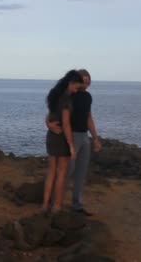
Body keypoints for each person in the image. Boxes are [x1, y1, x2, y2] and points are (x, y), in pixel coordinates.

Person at [47, 69, 101, 216]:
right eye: (84, 79)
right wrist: (49, 124)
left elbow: (89, 117)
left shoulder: (88, 97)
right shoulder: (70, 95)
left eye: (89, 80)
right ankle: (55, 203)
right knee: (66, 171)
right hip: (72, 135)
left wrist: (95, 138)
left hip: (84, 136)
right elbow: (53, 112)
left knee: (81, 173)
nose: (87, 82)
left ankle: (77, 205)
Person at [42, 70, 85, 214]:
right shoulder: (66, 99)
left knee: (51, 172)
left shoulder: (54, 95)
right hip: (61, 138)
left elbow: (49, 115)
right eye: (76, 87)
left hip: (51, 135)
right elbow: (66, 124)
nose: (76, 90)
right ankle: (57, 206)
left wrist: (48, 124)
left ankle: (45, 205)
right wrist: (71, 145)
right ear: (70, 83)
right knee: (61, 173)